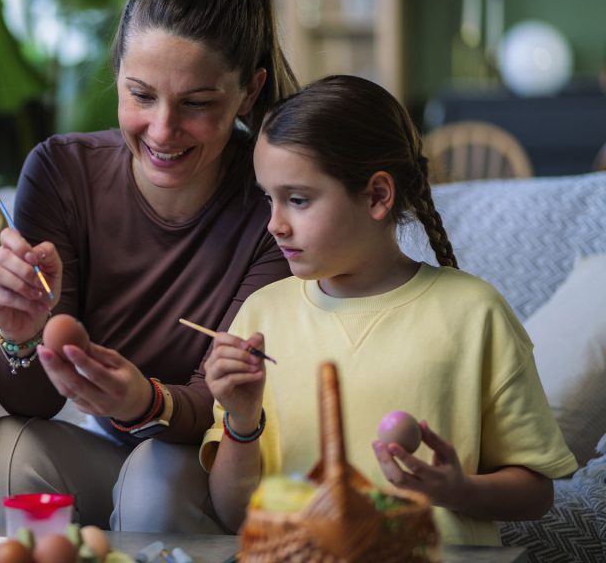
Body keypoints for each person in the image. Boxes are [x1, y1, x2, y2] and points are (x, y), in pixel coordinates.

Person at [0, 0, 298, 532]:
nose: (163, 130)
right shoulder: (62, 173)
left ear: (248, 91)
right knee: (4, 450)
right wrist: (20, 334)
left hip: (213, 460)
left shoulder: (275, 206)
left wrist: (146, 402)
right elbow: (32, 400)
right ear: (117, 71)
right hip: (104, 451)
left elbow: (225, 404)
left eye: (197, 103)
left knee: (155, 474)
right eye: (141, 95)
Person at [202, 75, 577, 544]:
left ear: (378, 195)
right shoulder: (262, 316)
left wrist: (457, 490)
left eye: (297, 200)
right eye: (268, 199)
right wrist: (240, 421)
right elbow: (235, 515)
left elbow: (536, 494)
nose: (275, 224)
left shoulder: (473, 312)